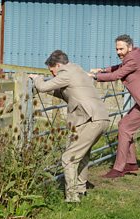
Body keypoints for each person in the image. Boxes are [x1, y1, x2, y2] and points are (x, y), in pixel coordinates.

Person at [29, 50, 109, 202]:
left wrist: (37, 78)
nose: (52, 74)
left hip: (90, 119)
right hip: (100, 117)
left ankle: (72, 197)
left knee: (68, 158)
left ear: (58, 65)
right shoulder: (77, 71)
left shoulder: (65, 72)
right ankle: (81, 189)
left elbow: (43, 87)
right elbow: (66, 93)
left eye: (51, 70)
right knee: (83, 155)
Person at [89, 34, 140, 179]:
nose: (118, 52)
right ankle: (131, 163)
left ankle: (118, 168)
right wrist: (103, 70)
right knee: (124, 125)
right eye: (117, 49)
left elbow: (117, 75)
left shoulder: (133, 59)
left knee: (125, 128)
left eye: (121, 49)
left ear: (129, 47)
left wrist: (95, 77)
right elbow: (118, 67)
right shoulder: (134, 54)